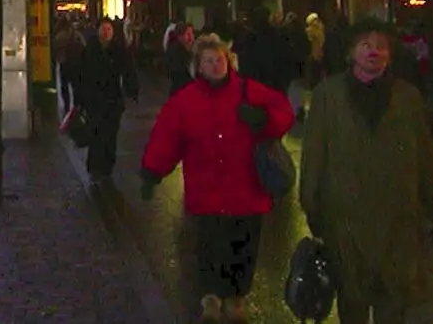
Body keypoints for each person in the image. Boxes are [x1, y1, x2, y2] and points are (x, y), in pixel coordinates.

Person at [300, 17, 433, 324]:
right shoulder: (329, 96)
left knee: (393, 304)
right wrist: (314, 210)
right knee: (352, 303)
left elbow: (426, 158)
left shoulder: (408, 98)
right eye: (366, 45)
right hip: (346, 225)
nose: (374, 52)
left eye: (381, 46)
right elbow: (313, 158)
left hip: (398, 223)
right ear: (351, 52)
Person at [141, 34, 294, 322]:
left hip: (246, 190)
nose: (215, 65)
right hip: (206, 193)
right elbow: (167, 139)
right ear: (198, 66)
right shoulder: (185, 101)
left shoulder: (248, 91)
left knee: (243, 249)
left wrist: (264, 119)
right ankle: (211, 299)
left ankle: (236, 299)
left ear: (229, 61)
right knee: (209, 248)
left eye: (219, 59)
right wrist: (152, 172)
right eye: (208, 61)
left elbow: (282, 110)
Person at [77, 18, 139, 178]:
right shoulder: (90, 50)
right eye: (103, 29)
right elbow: (81, 75)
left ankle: (107, 166)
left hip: (113, 100)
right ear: (98, 31)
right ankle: (95, 167)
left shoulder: (119, 50)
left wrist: (132, 89)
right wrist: (81, 99)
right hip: (95, 100)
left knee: (111, 135)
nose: (106, 33)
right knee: (97, 133)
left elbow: (129, 71)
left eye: (109, 30)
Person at [164, 23, 196, 97]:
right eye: (187, 34)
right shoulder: (174, 51)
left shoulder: (195, 49)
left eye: (192, 33)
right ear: (180, 36)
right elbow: (173, 71)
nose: (191, 37)